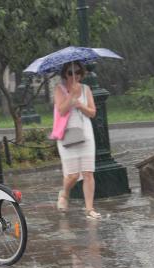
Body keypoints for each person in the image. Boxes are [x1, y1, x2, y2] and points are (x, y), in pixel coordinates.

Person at [53, 61, 101, 219]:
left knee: (88, 172)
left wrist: (80, 105)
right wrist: (72, 95)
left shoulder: (86, 89)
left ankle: (89, 209)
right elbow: (61, 110)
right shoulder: (59, 89)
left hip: (86, 133)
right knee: (73, 175)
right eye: (70, 72)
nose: (75, 75)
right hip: (66, 134)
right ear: (64, 74)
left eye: (78, 72)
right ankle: (65, 193)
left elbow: (93, 112)